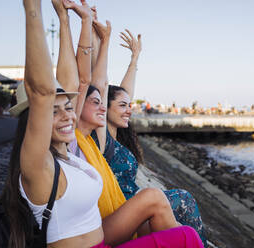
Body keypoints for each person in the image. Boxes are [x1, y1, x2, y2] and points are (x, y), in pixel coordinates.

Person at [0, 0, 203, 247]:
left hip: (103, 239)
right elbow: (47, 91)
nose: (67, 115)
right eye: (54, 111)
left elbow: (85, 81)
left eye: (68, 107)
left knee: (173, 221)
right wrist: (33, 8)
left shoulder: (72, 151)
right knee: (186, 236)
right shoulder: (39, 164)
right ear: (36, 120)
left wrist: (71, 20)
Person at [88, 19, 207, 247]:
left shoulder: (115, 138)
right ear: (104, 107)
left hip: (133, 207)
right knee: (183, 200)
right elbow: (100, 86)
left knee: (181, 204)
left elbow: (124, 93)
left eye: (129, 105)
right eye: (122, 106)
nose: (128, 110)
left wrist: (134, 58)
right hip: (123, 211)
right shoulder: (101, 140)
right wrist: (99, 42)